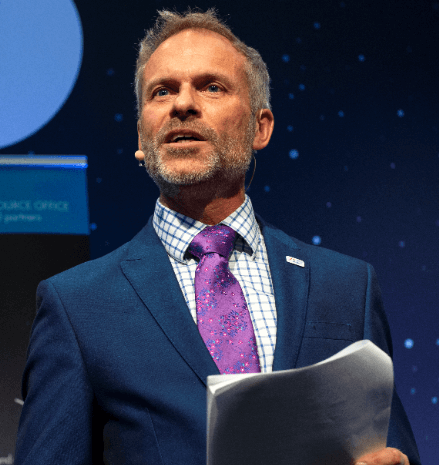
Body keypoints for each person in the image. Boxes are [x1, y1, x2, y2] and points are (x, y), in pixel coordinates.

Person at [15, 9, 421, 465]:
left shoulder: (347, 287)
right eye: (161, 91)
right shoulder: (77, 306)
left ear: (259, 128)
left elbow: (395, 448)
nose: (182, 104)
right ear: (140, 138)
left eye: (211, 87)